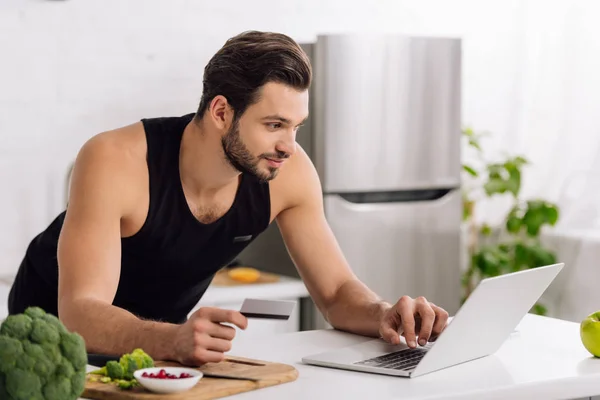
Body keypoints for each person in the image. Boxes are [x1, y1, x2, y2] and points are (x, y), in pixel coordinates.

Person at [8, 30, 449, 366]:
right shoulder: (114, 158)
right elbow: (80, 312)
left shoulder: (289, 174)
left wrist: (383, 314)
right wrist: (172, 340)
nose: (289, 146)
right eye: (274, 125)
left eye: (296, 127)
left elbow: (335, 293)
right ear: (221, 112)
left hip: (161, 348)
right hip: (52, 344)